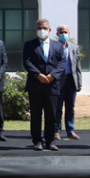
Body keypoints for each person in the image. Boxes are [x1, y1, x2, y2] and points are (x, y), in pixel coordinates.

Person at [23, 19, 66, 151]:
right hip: (36, 85)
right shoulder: (29, 45)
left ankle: (50, 141)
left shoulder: (58, 46)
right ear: (36, 30)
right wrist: (38, 75)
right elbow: (27, 62)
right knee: (36, 115)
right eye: (40, 28)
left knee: (52, 114)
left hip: (52, 85)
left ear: (50, 30)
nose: (42, 30)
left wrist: (52, 75)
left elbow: (62, 63)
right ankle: (37, 141)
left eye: (45, 28)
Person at [54, 24, 82, 141]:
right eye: (61, 32)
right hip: (58, 80)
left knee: (70, 107)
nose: (63, 34)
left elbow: (78, 66)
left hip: (71, 80)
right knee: (58, 107)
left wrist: (79, 82)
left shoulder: (74, 48)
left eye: (65, 32)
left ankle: (70, 130)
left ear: (69, 33)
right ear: (57, 34)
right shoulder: (54, 47)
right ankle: (56, 130)